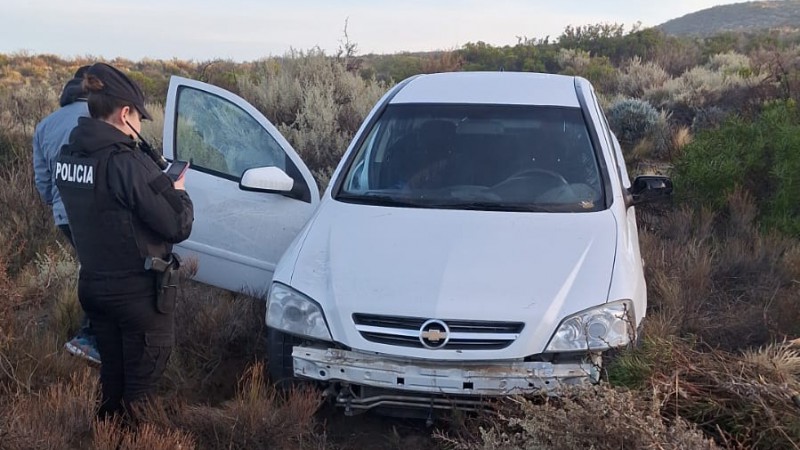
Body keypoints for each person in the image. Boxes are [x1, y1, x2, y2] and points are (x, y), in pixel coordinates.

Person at [56, 63, 194, 419]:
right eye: (138, 119)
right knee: (140, 398)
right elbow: (177, 224)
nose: (138, 130)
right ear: (125, 112)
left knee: (112, 385)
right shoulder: (125, 163)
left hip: (94, 290)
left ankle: (105, 438)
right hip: (138, 299)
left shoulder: (68, 155)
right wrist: (178, 190)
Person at [33, 65, 101, 364]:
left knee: (92, 269)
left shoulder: (45, 125)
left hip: (65, 215)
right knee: (102, 272)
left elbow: (43, 181)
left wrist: (59, 204)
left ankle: (91, 335)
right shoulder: (99, 118)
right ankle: (90, 337)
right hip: (97, 211)